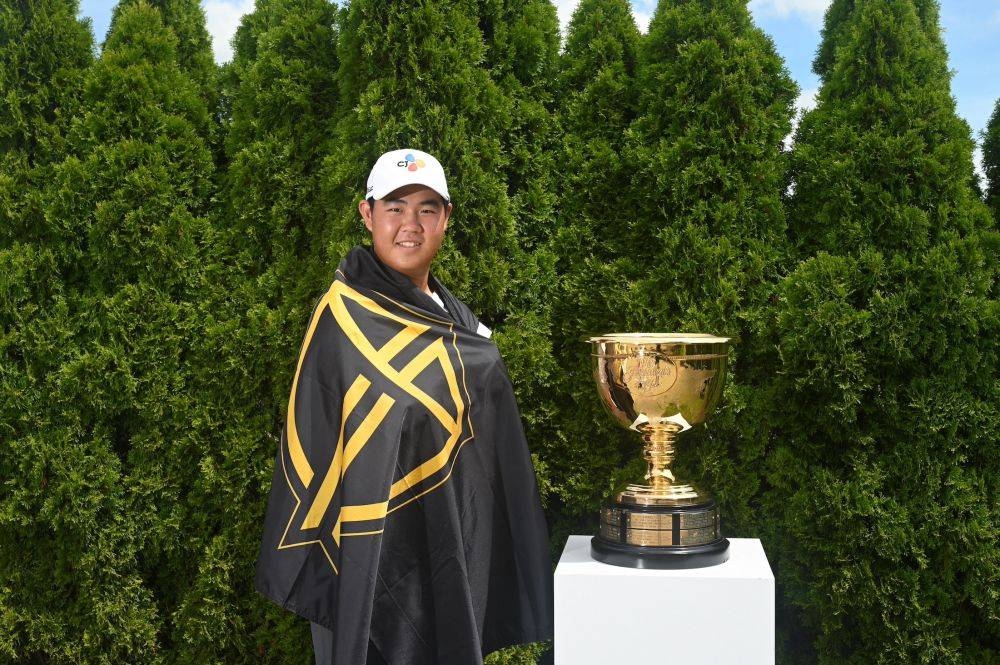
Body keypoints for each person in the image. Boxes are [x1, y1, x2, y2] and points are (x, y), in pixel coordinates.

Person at [255, 149, 554, 665]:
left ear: (446, 219)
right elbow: (331, 441)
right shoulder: (343, 317)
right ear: (367, 215)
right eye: (394, 207)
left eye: (426, 208)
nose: (409, 225)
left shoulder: (455, 317)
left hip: (442, 547)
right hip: (364, 557)